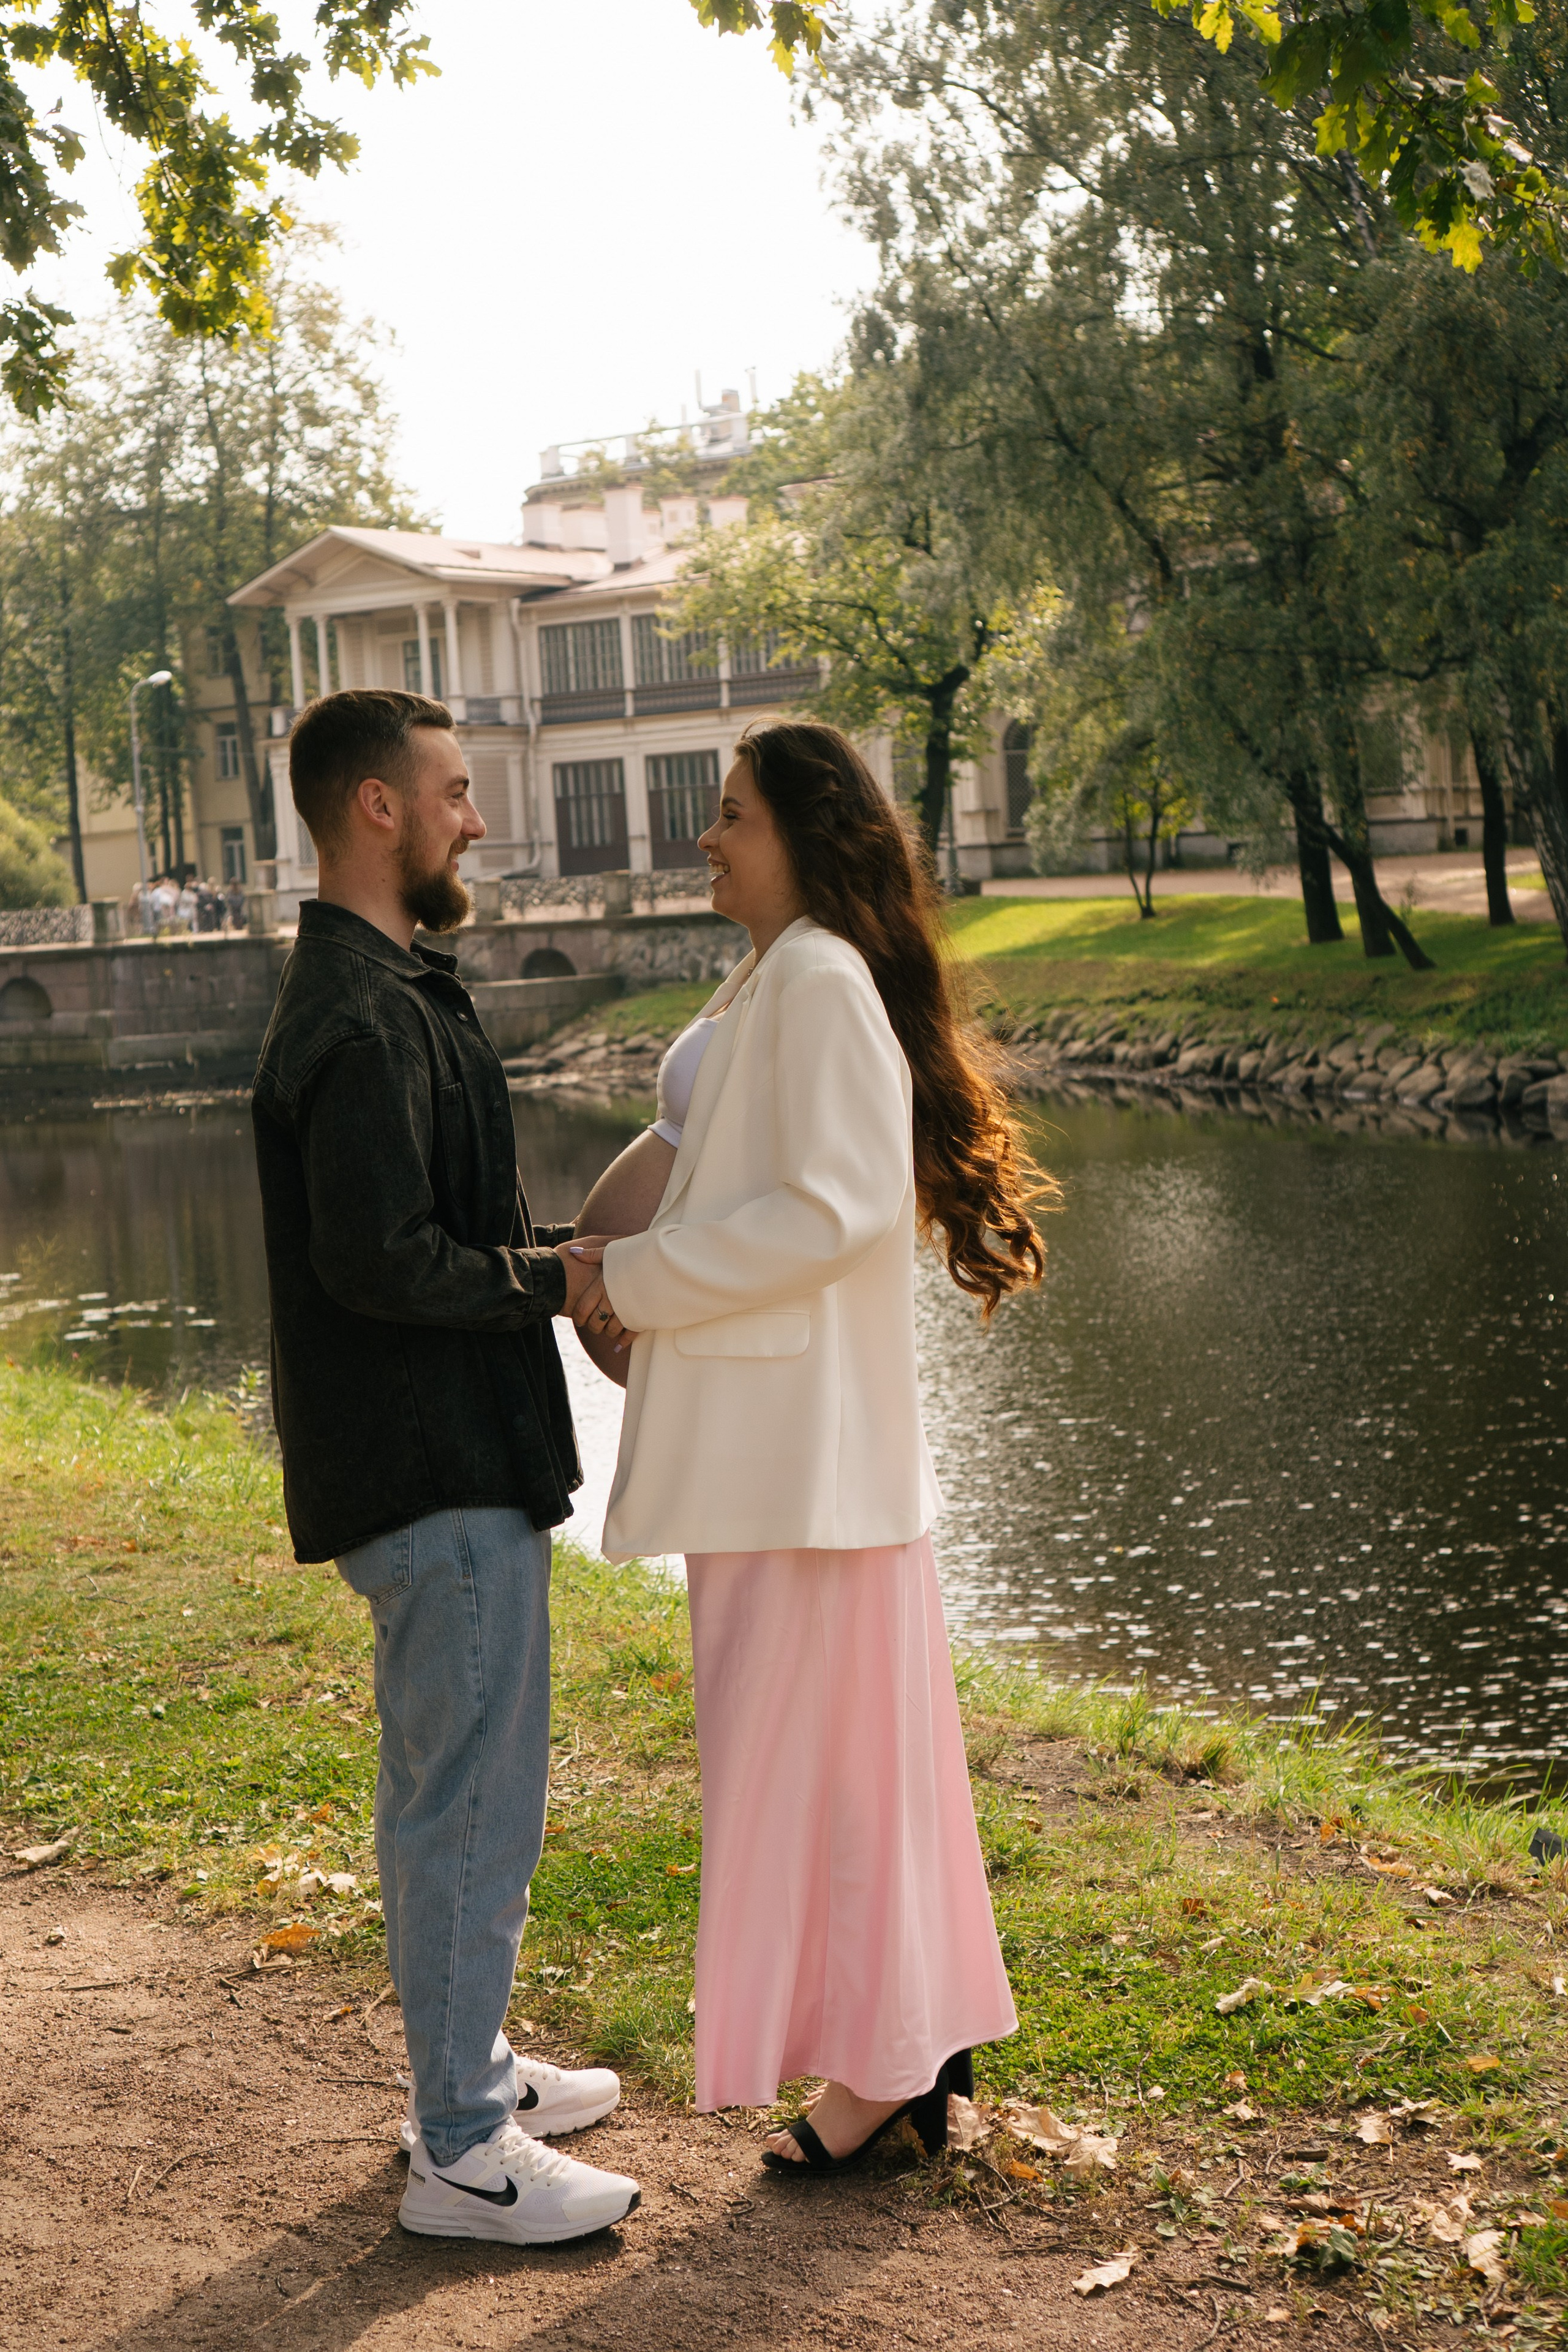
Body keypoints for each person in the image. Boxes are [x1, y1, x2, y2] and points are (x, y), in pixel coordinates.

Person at [565, 718, 1047, 2173]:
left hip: (810, 1467)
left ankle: (886, 2070)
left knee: (835, 1779)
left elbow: (831, 1209)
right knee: (813, 1771)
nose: (704, 839)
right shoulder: (773, 966)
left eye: (729, 816)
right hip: (768, 1456)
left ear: (805, 833)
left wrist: (636, 1281)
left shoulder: (824, 978)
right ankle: (900, 2047)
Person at [251, 688, 641, 2247]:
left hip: (451, 1457)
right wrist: (561, 1281)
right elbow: (385, 1263)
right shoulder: (353, 1016)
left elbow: (441, 1233)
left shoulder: (393, 990)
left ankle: (460, 2077)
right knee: (467, 1803)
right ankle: (465, 2154)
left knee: (449, 1793)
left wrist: (563, 1257)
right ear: (377, 810)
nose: (477, 818)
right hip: (430, 1470)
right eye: (456, 792)